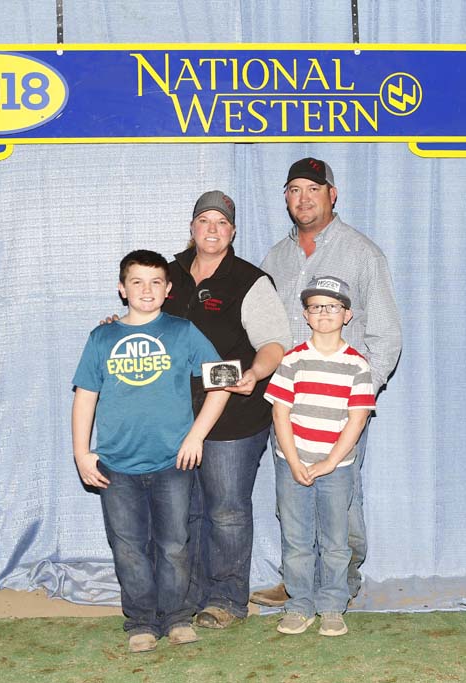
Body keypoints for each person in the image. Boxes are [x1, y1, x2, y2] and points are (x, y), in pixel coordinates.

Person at [254, 158, 402, 607]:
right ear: (285, 197)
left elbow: (386, 334)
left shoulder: (361, 252)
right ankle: (299, 582)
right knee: (292, 496)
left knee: (342, 499)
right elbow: (259, 326)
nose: (303, 198)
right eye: (294, 189)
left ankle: (341, 582)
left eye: (312, 189)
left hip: (340, 407)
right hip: (288, 405)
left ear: (331, 194)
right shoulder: (276, 258)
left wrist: (357, 394)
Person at [71, 249, 230, 654]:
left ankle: (176, 617)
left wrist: (196, 436)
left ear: (168, 289)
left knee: (175, 544)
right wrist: (81, 452)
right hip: (116, 465)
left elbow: (221, 381)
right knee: (128, 547)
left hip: (172, 461)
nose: (147, 289)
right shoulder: (101, 337)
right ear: (122, 289)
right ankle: (140, 620)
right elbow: (85, 396)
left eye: (156, 282)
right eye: (137, 282)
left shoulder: (183, 331)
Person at [162, 190, 291, 629]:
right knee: (187, 510)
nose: (212, 229)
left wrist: (257, 372)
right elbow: (144, 318)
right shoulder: (167, 274)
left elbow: (275, 341)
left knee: (226, 509)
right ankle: (191, 595)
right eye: (204, 220)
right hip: (176, 411)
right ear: (192, 228)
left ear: (232, 232)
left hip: (234, 413)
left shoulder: (250, 280)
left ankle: (227, 599)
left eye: (221, 222)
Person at [265, 275, 375, 636]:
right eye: (316, 307)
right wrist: (295, 461)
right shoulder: (292, 361)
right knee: (296, 539)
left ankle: (332, 605)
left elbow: (357, 420)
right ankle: (300, 604)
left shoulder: (358, 366)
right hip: (292, 465)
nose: (324, 313)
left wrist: (328, 463)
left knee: (335, 541)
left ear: (347, 315)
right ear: (306, 315)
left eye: (332, 307)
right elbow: (280, 414)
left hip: (336, 468)